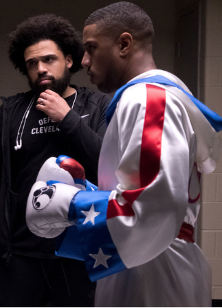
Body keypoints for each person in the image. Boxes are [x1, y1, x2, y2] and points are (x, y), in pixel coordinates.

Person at [25, 2, 222, 306]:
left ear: (124, 44)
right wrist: (89, 192)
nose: (84, 61)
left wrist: (71, 203)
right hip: (148, 263)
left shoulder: (148, 99)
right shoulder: (145, 97)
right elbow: (148, 192)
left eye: (91, 48)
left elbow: (151, 206)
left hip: (155, 273)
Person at [0, 14, 111, 306]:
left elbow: (106, 163)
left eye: (49, 59)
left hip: (79, 253)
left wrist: (67, 118)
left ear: (69, 59)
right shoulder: (11, 111)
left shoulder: (97, 105)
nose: (41, 69)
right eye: (32, 63)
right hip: (19, 254)